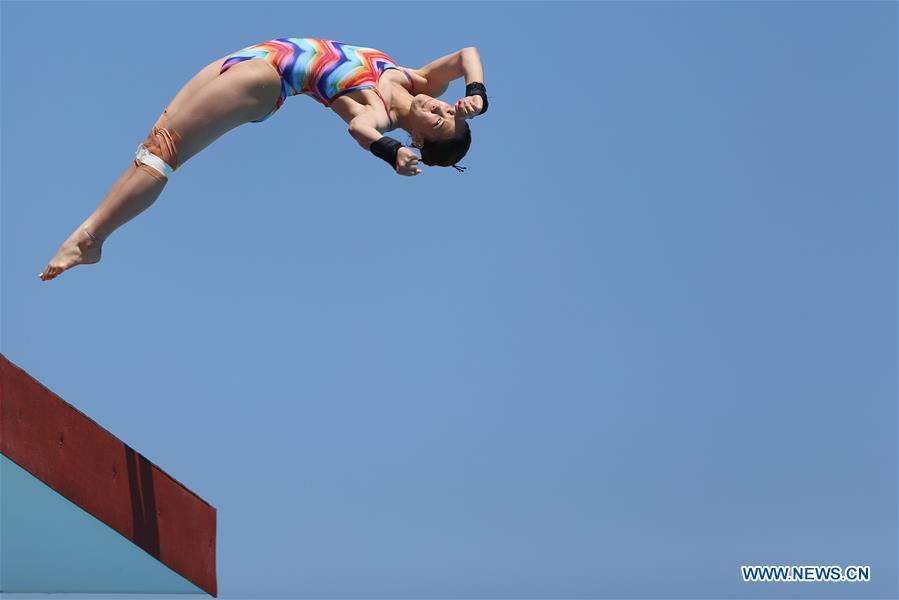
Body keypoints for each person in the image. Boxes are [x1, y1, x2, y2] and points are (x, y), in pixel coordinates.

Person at [39, 38, 488, 281]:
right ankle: (94, 237)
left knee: (165, 152)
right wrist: (476, 96)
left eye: (438, 124)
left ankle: (90, 238)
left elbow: (359, 130)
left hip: (265, 79)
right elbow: (468, 53)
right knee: (152, 144)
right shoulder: (418, 79)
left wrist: (390, 154)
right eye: (447, 111)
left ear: (419, 139)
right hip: (254, 54)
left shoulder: (383, 114)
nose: (438, 111)